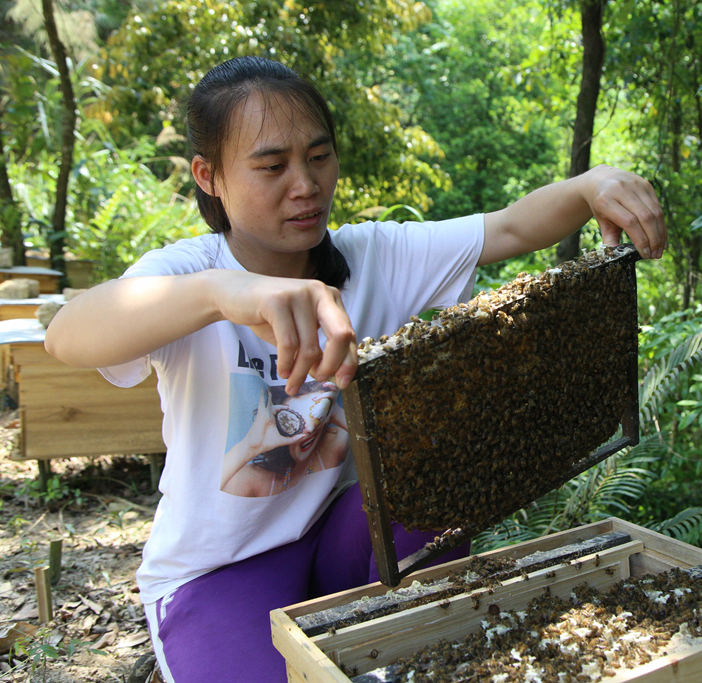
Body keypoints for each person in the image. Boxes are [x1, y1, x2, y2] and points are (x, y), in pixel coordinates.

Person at [44, 56, 665, 682]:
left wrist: (591, 186)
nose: (305, 184)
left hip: (344, 538)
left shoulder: (370, 256)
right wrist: (223, 295)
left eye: (319, 156)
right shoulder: (183, 273)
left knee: (432, 496)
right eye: (271, 165)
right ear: (209, 176)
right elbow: (67, 334)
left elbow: (506, 228)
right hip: (218, 570)